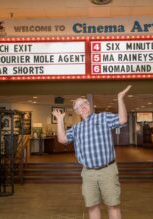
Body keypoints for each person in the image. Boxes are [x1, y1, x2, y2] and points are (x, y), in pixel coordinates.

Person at [52, 85, 131, 219]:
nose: (82, 107)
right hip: (88, 173)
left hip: (108, 170)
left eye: (84, 104)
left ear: (89, 105)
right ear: (77, 112)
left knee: (113, 205)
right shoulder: (77, 128)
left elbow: (122, 120)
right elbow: (62, 139)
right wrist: (60, 121)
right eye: (78, 107)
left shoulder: (103, 118)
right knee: (92, 206)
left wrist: (120, 98)